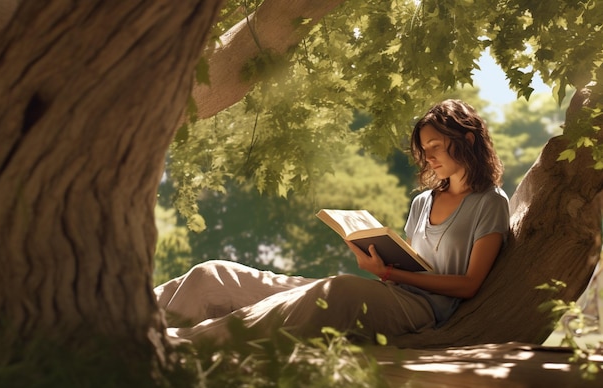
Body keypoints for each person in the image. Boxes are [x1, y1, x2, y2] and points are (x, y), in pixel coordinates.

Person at [155, 99, 510, 344]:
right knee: (214, 274)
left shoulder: (489, 203)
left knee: (336, 291)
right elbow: (412, 262)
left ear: (466, 139)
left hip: (422, 309)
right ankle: (121, 323)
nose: (428, 157)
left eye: (435, 146)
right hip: (389, 292)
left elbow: (468, 285)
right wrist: (381, 261)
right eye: (424, 149)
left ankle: (176, 344)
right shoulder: (423, 202)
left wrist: (387, 273)